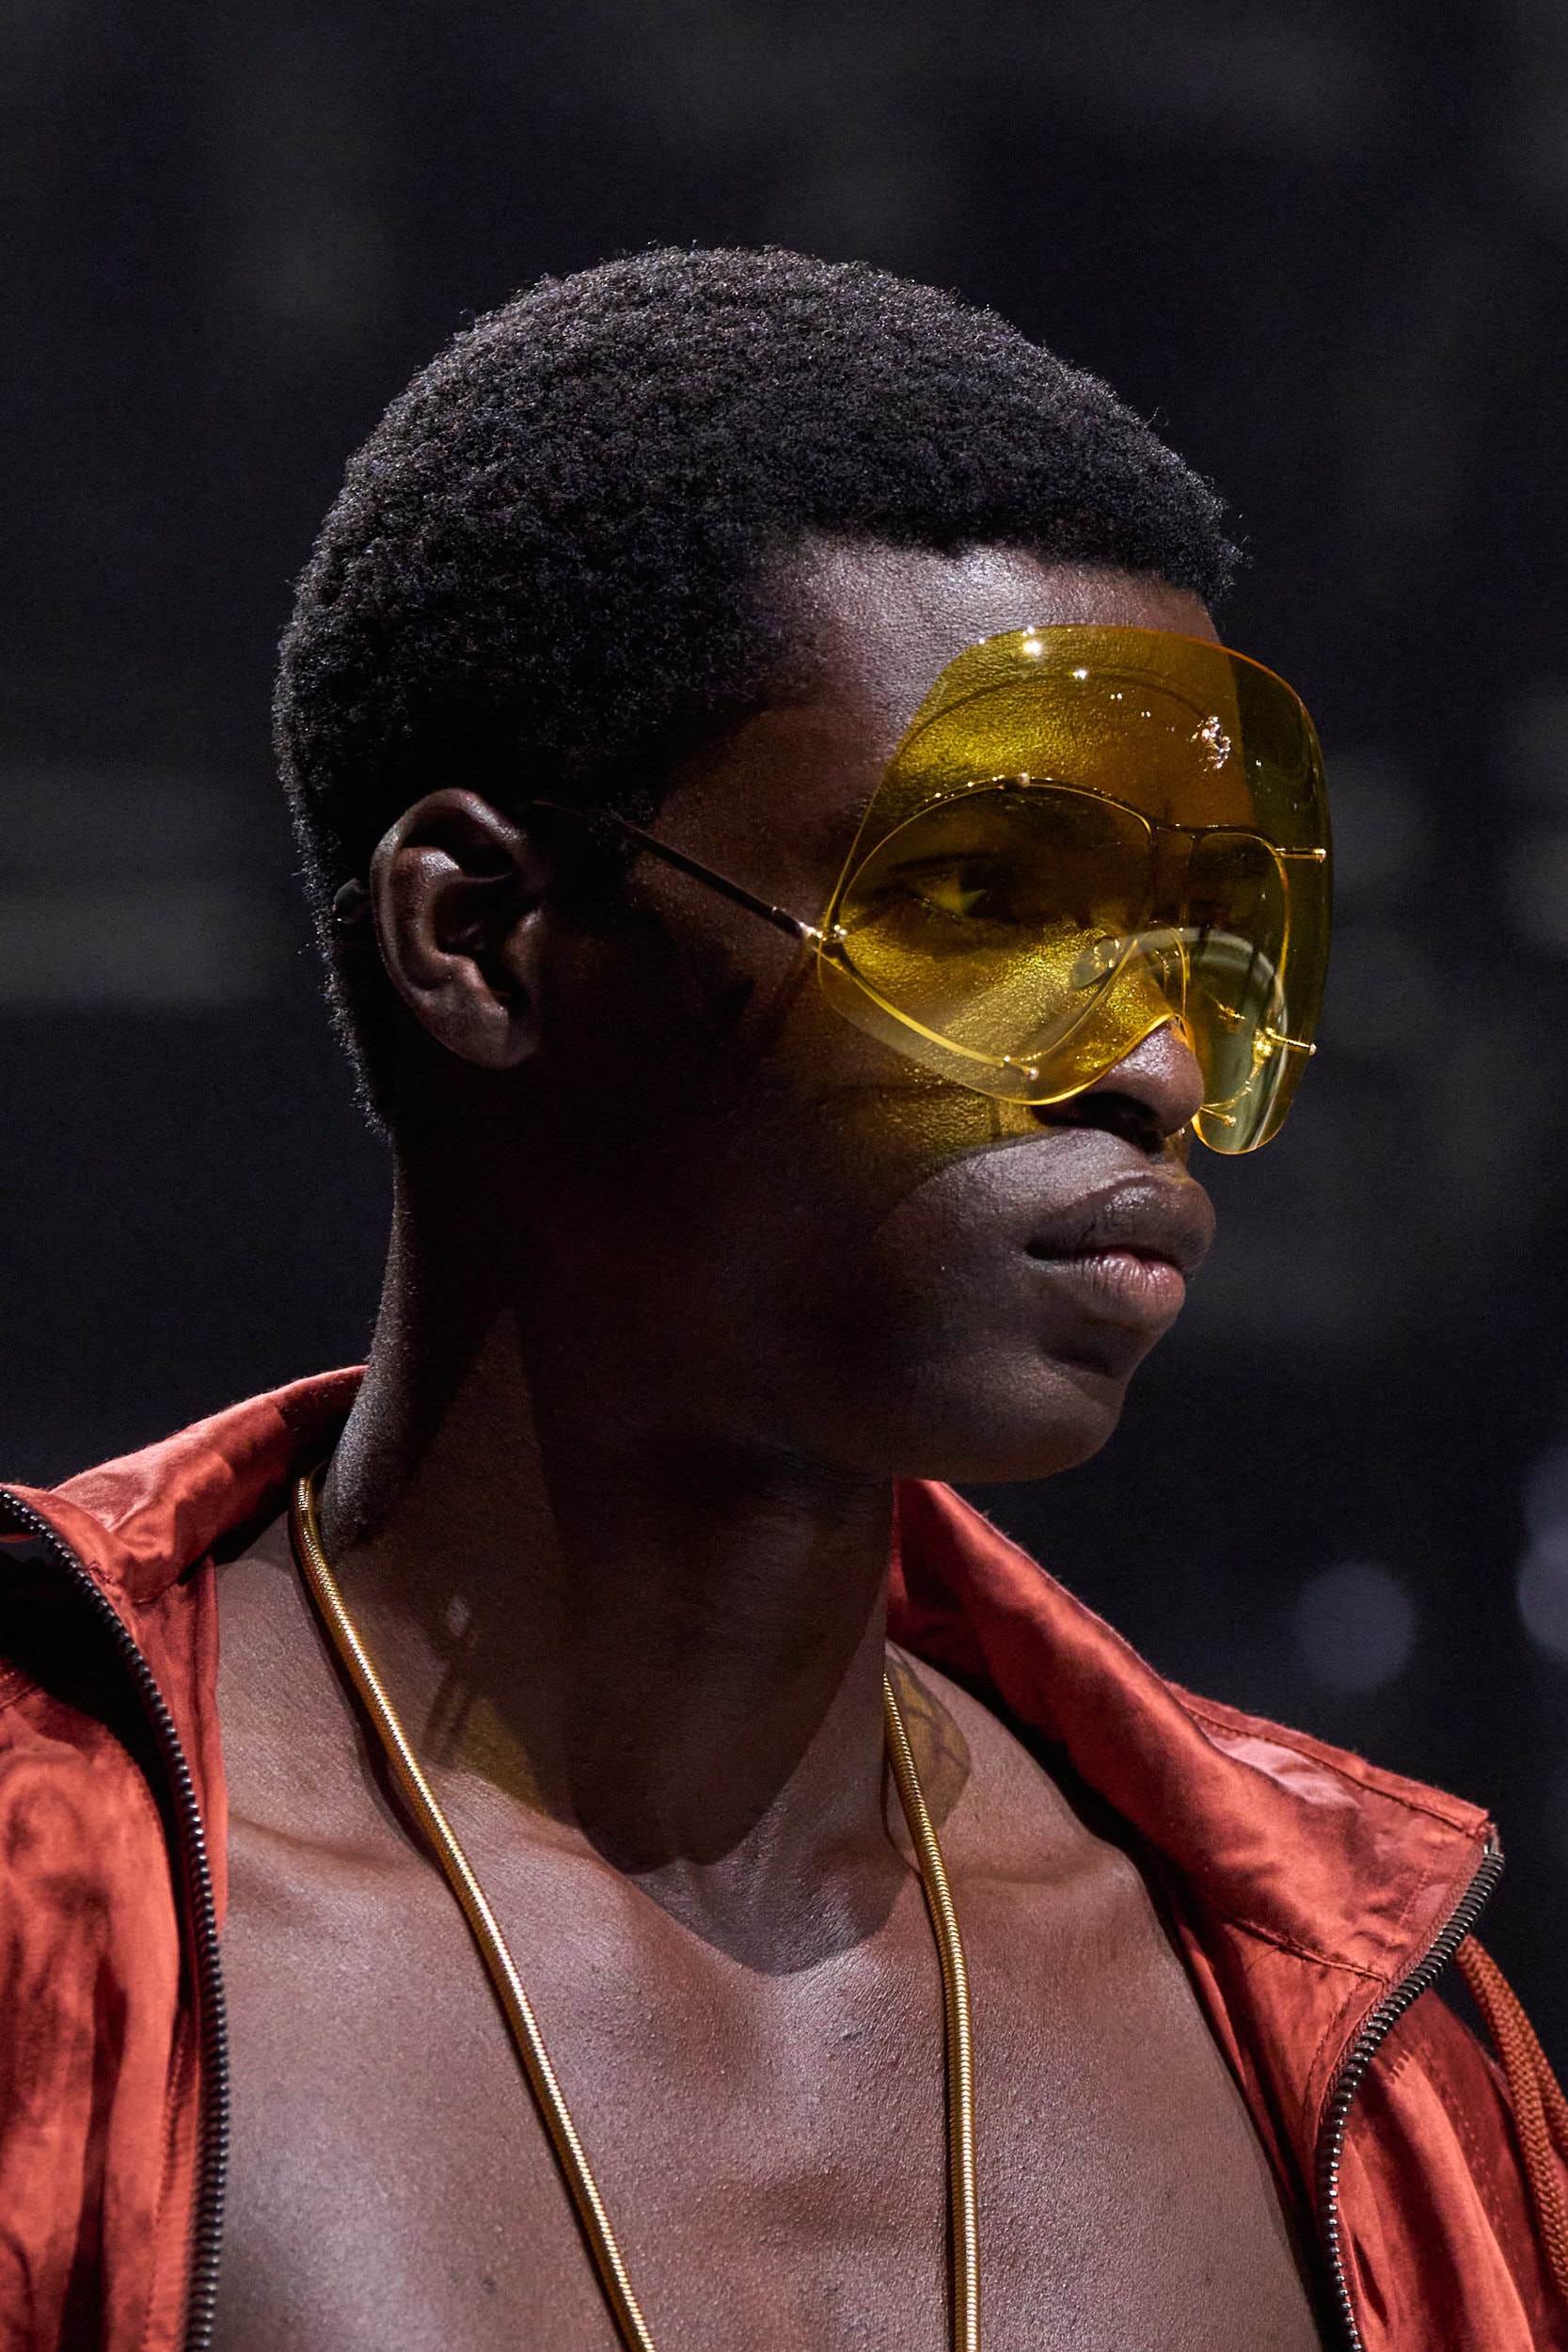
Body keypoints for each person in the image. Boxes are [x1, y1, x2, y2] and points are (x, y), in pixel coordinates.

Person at [2, 247, 1563, 2352]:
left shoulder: (1347, 2033)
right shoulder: (54, 1918)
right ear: (483, 937)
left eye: (1201, 946)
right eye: (982, 898)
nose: (1155, 1062)